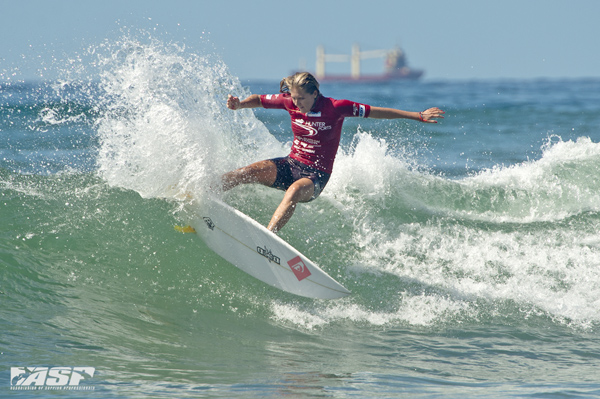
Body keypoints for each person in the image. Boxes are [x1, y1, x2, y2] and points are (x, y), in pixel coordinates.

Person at [223, 72, 444, 233]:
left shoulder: (336, 107)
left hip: (315, 176)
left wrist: (417, 115)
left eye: (302, 98)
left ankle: (268, 237)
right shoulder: (289, 101)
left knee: (292, 192)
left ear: (315, 93)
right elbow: (260, 100)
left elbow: (377, 112)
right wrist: (240, 105)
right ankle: (202, 195)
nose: (297, 103)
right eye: (294, 98)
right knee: (244, 172)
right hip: (291, 163)